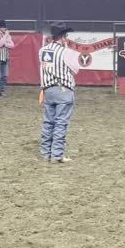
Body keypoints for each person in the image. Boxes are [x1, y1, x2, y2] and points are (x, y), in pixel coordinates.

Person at [38, 24, 79, 163]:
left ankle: (45, 153)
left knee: (48, 122)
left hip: (48, 89)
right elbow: (75, 70)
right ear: (63, 37)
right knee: (60, 123)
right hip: (63, 90)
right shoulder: (66, 52)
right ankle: (57, 155)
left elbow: (44, 68)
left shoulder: (42, 51)